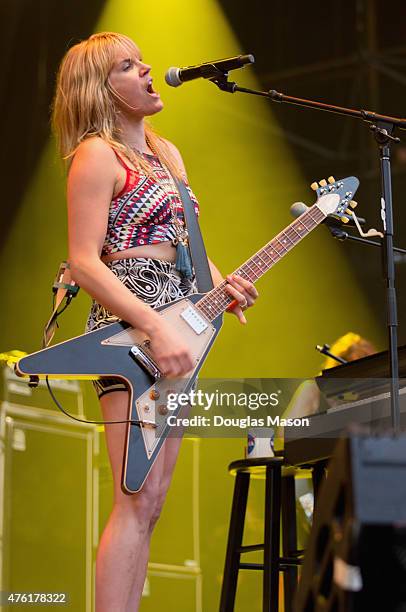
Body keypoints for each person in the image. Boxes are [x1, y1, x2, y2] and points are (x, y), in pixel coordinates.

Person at [51, 32, 258, 612]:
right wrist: (156, 326)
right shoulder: (96, 154)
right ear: (102, 87)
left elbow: (186, 245)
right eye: (129, 65)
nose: (147, 70)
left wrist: (221, 284)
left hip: (182, 323)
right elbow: (86, 261)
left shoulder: (167, 154)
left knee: (157, 498)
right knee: (133, 497)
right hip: (131, 332)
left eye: (141, 61)